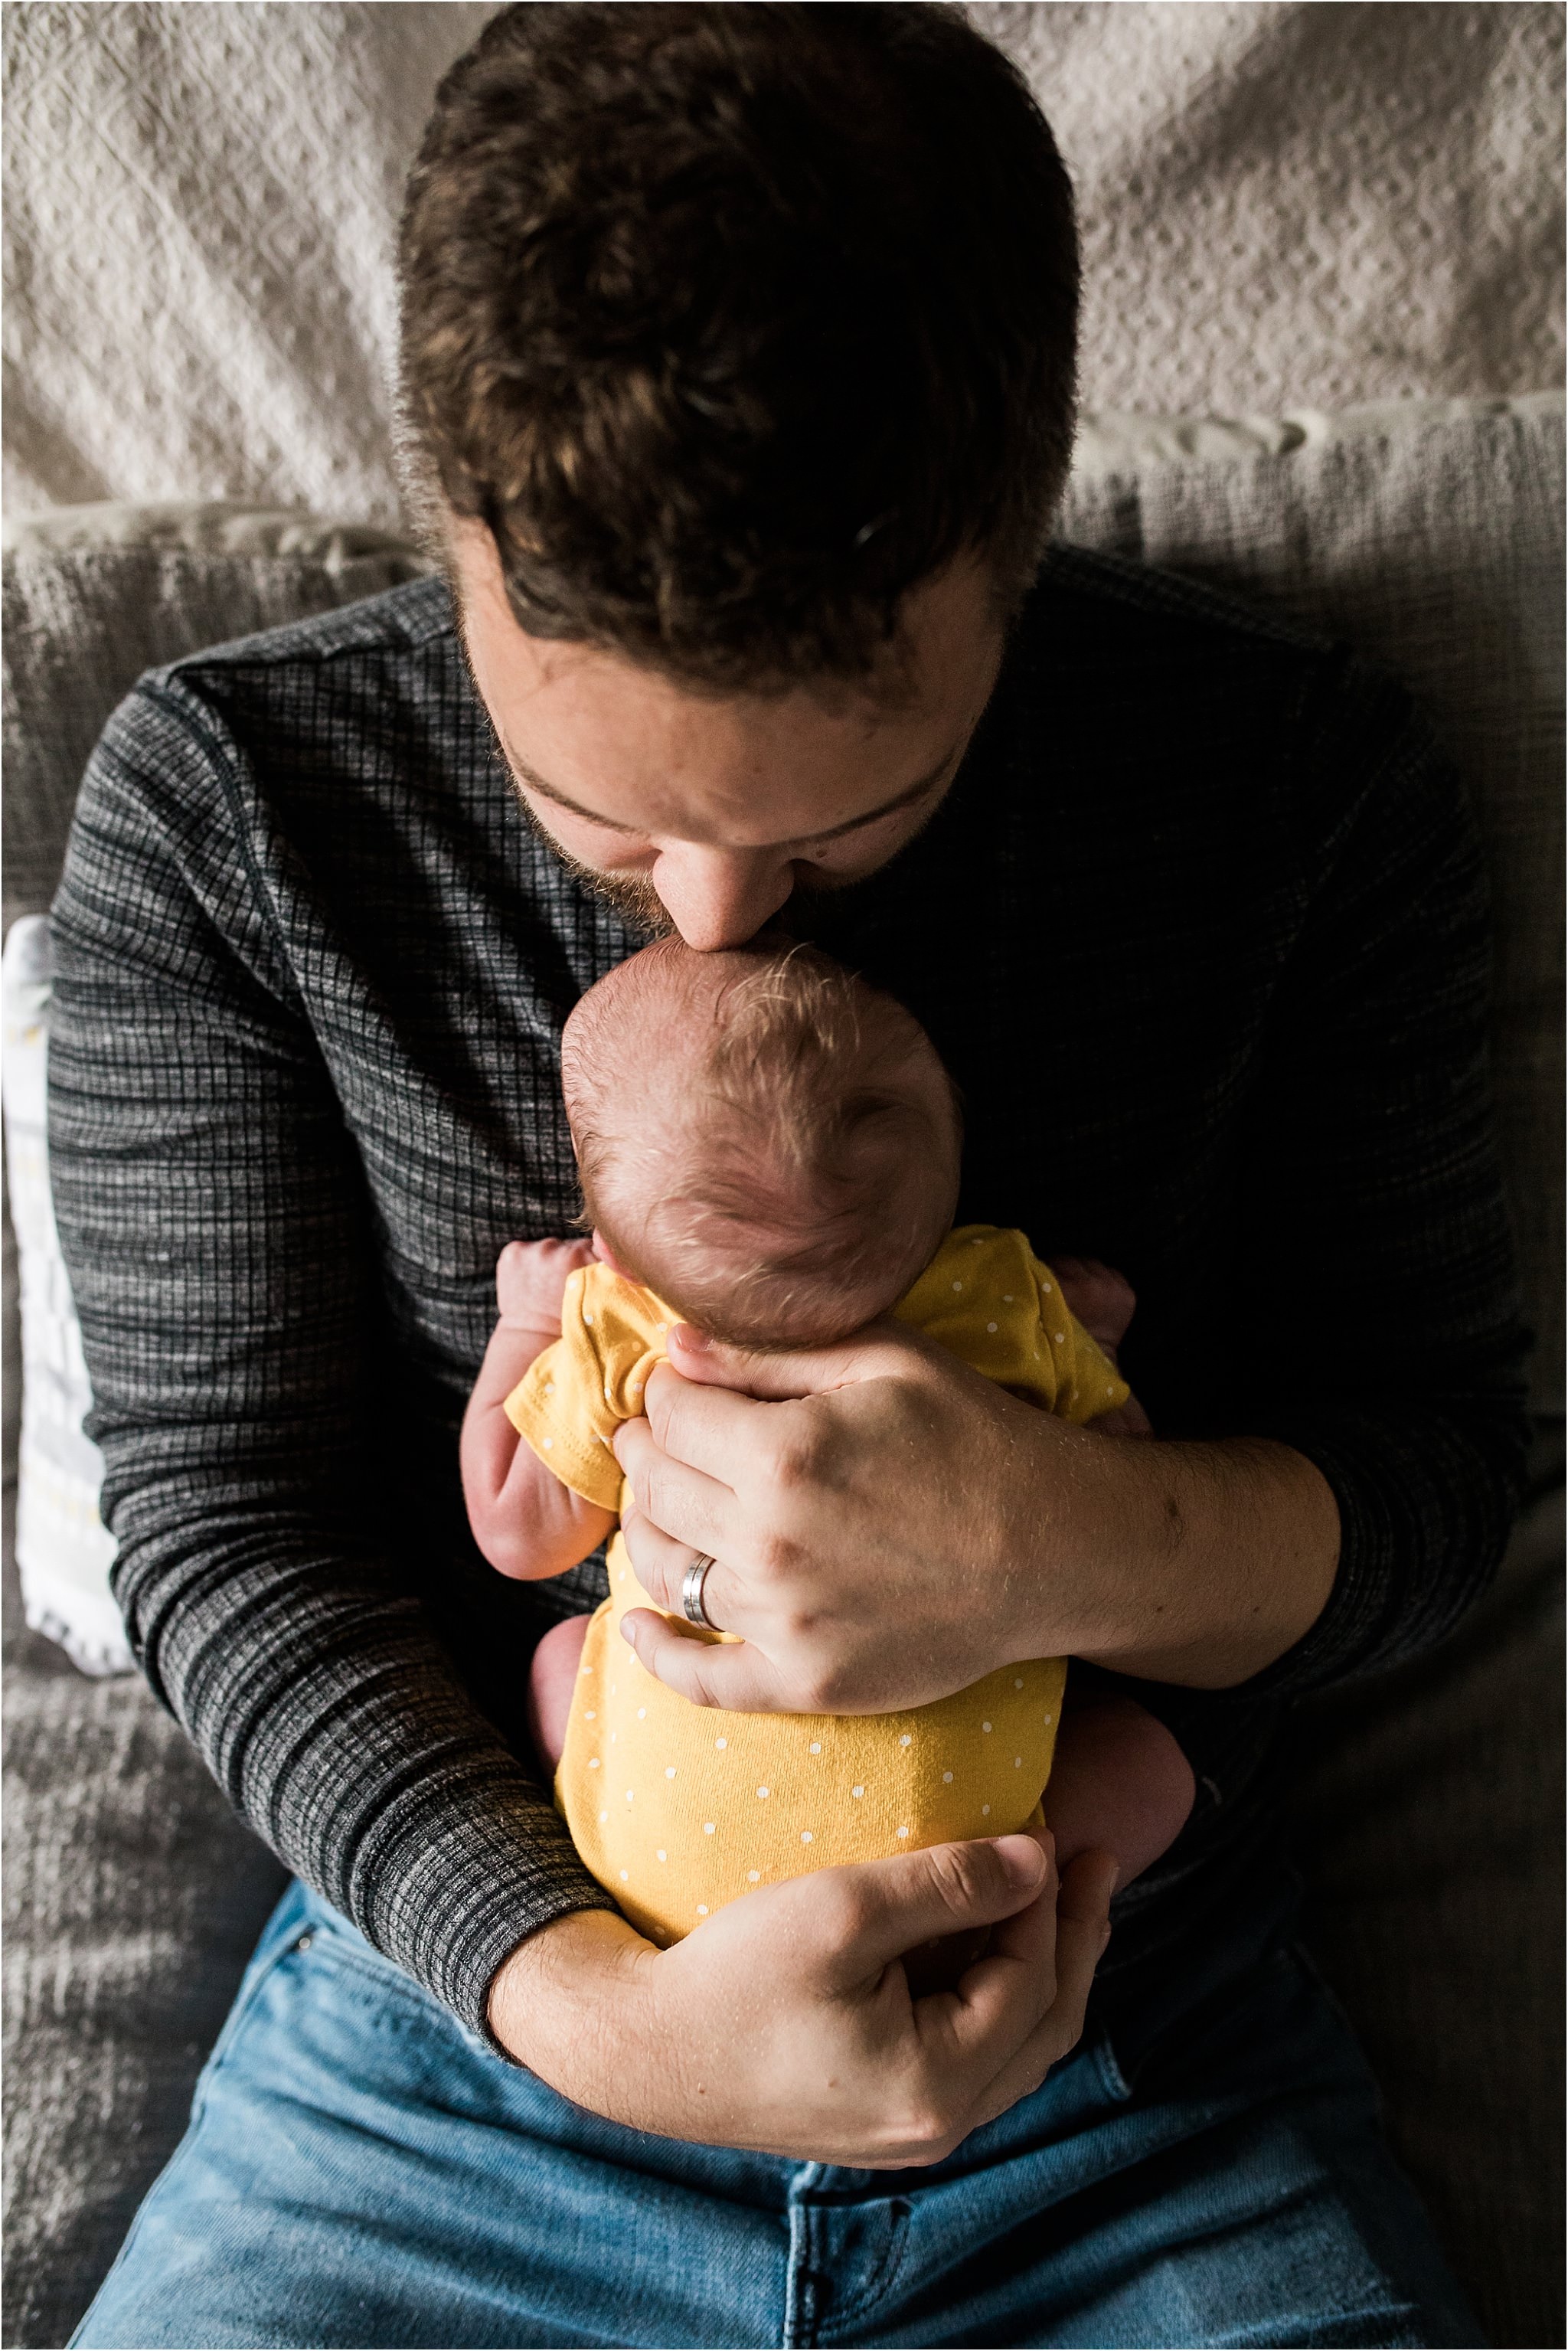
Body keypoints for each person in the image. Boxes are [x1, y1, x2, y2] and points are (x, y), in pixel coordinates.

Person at [51, 7, 1525, 2345]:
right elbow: (228, 1534)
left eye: (850, 813)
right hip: (467, 2036)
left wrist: (1072, 1537)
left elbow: (1446, 1475)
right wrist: (586, 2010)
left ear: (1015, 545)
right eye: (602, 817)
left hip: (1127, 2046)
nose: (721, 916)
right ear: (452, 529)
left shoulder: (1300, 792)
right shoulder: (234, 825)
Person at [461, 936, 1191, 1951]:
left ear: (619, 1249)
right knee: (1153, 1769)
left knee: (559, 1650)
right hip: (963, 1880)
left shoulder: (623, 1324)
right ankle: (1000, 1925)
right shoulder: (1004, 1298)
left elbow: (515, 1533)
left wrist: (528, 1328)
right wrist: (1090, 1349)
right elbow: (1131, 1474)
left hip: (657, 1885)